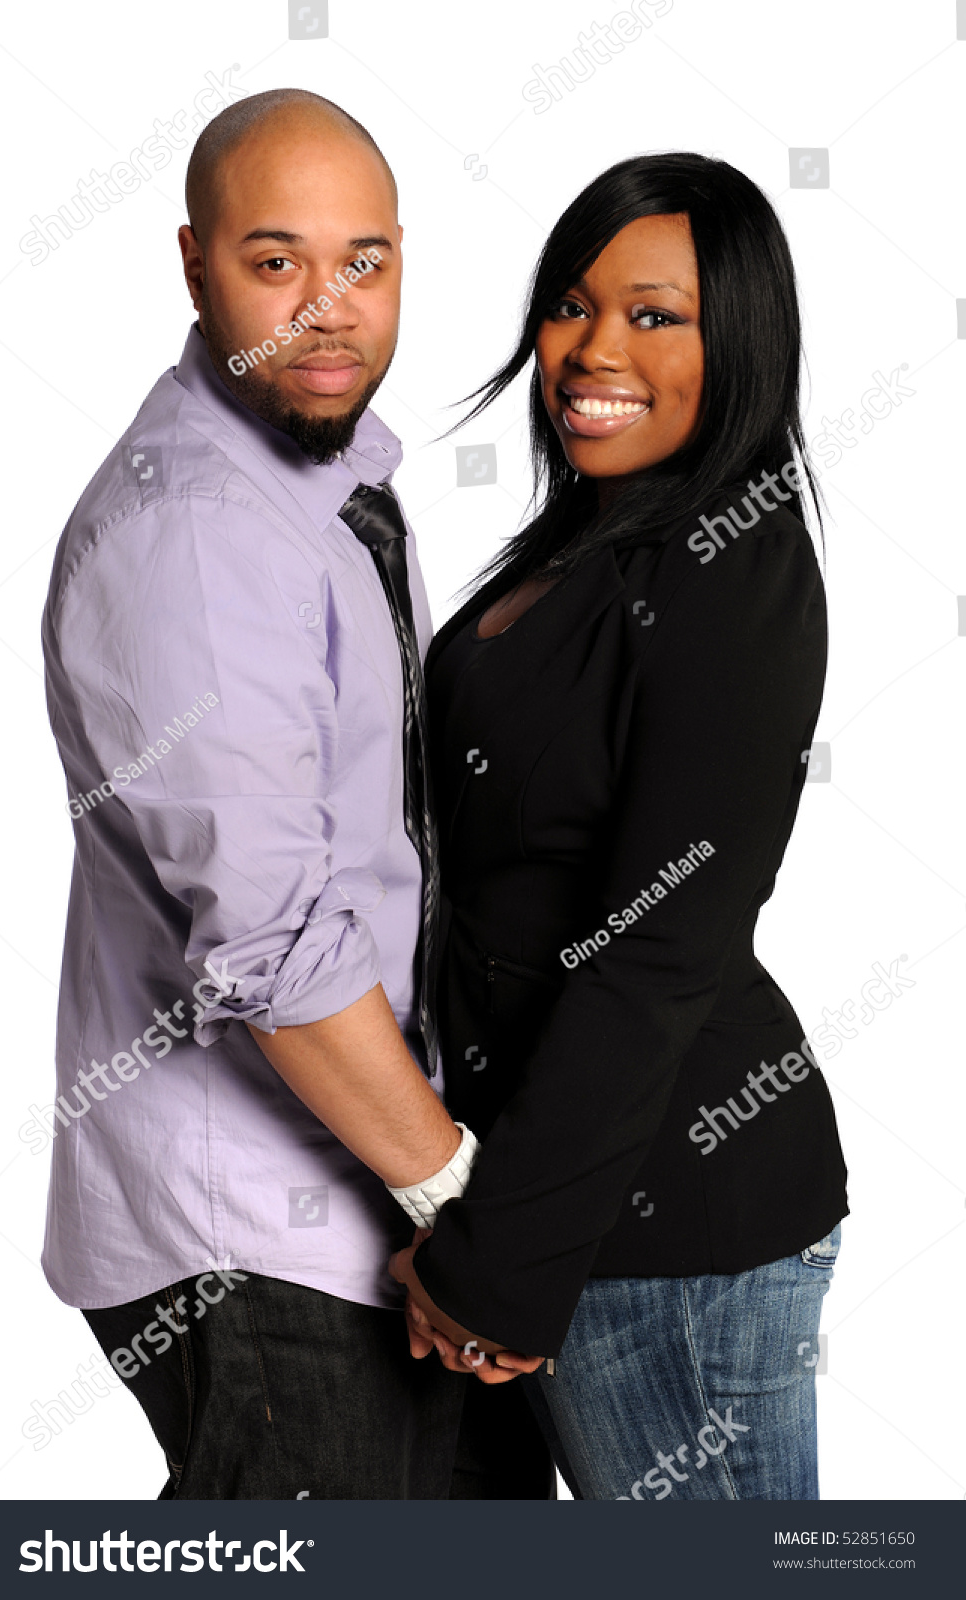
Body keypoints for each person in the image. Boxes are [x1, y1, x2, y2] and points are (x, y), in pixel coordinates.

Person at [40, 87, 552, 1500]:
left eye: (364, 263)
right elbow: (274, 944)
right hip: (260, 1236)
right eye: (276, 264)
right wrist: (459, 1201)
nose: (328, 309)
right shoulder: (197, 535)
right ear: (194, 260)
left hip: (363, 1193)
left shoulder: (316, 483)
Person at [390, 153, 849, 1500]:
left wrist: (492, 1271)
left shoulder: (731, 577)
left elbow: (654, 958)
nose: (593, 349)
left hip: (669, 1230)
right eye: (570, 305)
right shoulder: (589, 544)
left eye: (654, 315)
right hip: (548, 1198)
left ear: (741, 342)